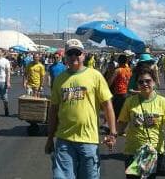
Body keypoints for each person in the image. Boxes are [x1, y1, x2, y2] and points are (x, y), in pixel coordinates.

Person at [45, 39, 117, 179]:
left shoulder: (95, 76)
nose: (73, 57)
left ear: (83, 55)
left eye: (77, 53)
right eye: (70, 53)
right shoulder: (60, 80)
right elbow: (53, 111)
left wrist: (112, 132)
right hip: (64, 140)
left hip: (88, 140)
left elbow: (107, 105)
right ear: (65, 56)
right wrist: (49, 138)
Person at [118, 67, 165, 179]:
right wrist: (113, 135)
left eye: (148, 81)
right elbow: (122, 122)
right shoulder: (130, 101)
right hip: (133, 151)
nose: (144, 84)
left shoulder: (163, 102)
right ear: (137, 84)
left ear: (154, 82)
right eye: (141, 82)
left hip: (152, 151)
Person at [108, 54, 132, 120]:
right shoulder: (129, 70)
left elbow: (110, 82)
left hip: (119, 93)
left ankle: (114, 128)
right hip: (126, 93)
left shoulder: (118, 70)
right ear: (126, 62)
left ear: (118, 61)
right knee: (122, 113)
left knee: (115, 113)